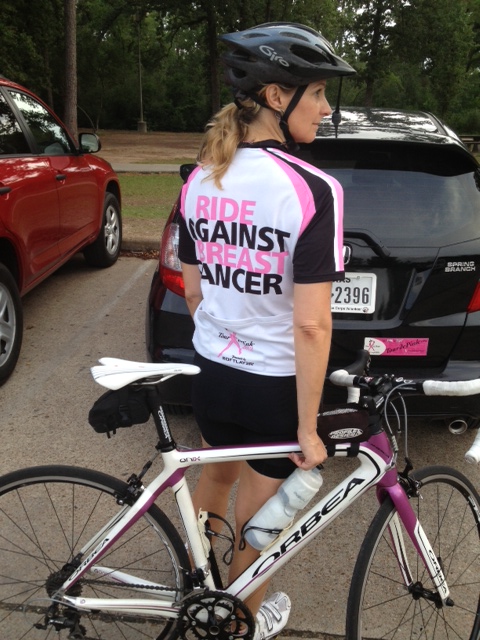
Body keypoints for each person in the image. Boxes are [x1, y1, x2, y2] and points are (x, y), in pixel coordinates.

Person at [178, 22, 355, 640]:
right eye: (319, 95)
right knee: (258, 522)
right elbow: (311, 324)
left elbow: (191, 280)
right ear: (279, 97)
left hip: (210, 371)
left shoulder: (201, 177)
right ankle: (238, 622)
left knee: (215, 475)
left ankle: (193, 586)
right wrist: (308, 428)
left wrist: (219, 323)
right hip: (272, 385)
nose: (326, 108)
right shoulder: (313, 189)